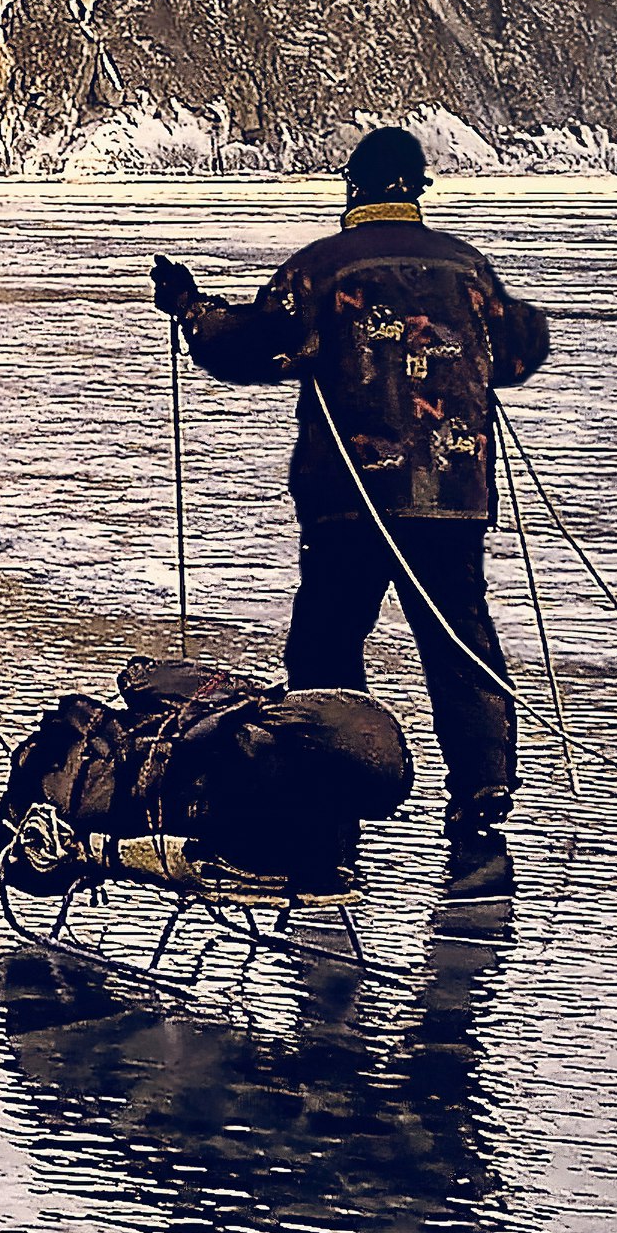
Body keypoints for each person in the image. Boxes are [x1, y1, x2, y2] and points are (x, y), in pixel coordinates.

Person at [156, 126, 551, 902]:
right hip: (451, 495)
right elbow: (520, 346)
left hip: (352, 501)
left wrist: (191, 307)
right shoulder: (465, 268)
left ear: (353, 190)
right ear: (416, 189)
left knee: (327, 646)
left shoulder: (323, 268)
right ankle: (481, 793)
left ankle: (329, 797)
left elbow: (251, 347)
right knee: (460, 640)